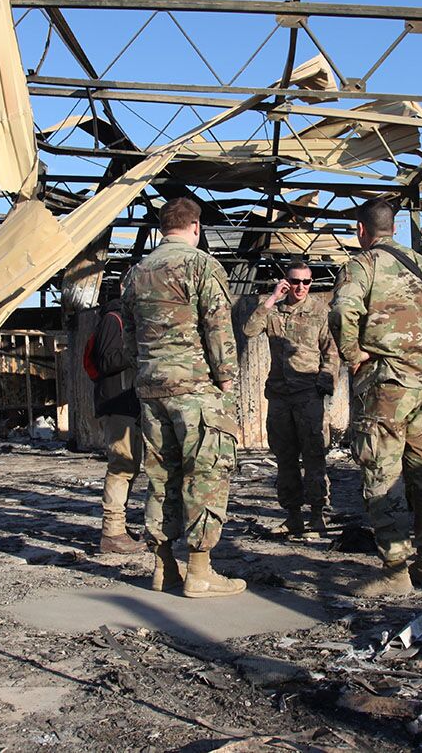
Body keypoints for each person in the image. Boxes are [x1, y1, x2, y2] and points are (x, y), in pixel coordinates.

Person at [330, 198, 422, 597]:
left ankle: (395, 569)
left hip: (385, 389)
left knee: (382, 473)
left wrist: (354, 355)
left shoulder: (361, 266)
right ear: (393, 228)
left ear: (362, 230)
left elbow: (342, 312)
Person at [120, 197, 245, 598]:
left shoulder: (136, 273)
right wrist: (227, 381)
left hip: (151, 386)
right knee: (205, 474)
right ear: (195, 227)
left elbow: (128, 337)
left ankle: (163, 569)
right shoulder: (201, 265)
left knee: (161, 477)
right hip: (194, 388)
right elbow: (219, 328)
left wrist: (146, 369)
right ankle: (200, 573)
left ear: (162, 228)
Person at [243, 259, 338, 535]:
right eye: (295, 281)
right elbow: (249, 330)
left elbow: (331, 352)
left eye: (306, 282)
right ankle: (293, 515)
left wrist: (323, 384)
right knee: (285, 457)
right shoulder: (274, 312)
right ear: (286, 282)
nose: (300, 287)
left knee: (314, 456)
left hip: (308, 394)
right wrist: (272, 299)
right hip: (280, 396)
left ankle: (318, 514)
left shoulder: (320, 312)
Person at [90, 281, 144, 554]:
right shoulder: (114, 319)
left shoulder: (130, 318)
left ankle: (118, 528)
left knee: (129, 467)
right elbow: (107, 361)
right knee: (121, 466)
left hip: (128, 403)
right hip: (117, 403)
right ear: (124, 286)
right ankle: (112, 533)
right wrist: (139, 349)